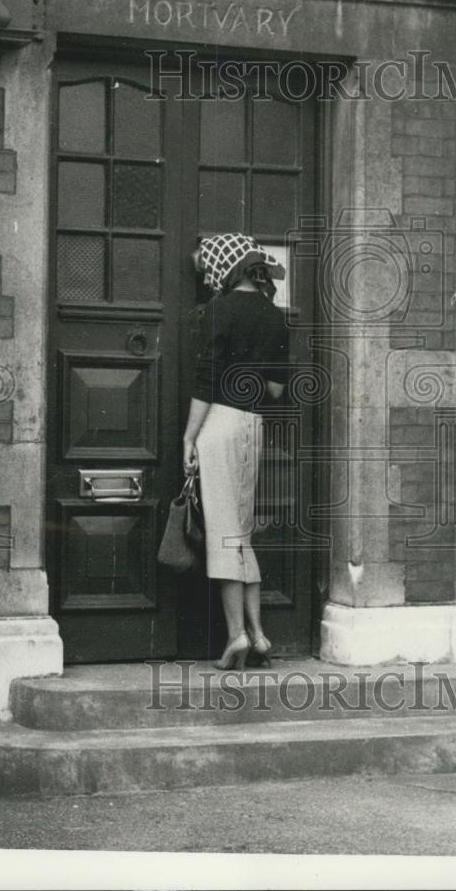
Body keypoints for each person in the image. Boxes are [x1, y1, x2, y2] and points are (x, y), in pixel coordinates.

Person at [183, 233, 290, 671]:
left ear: (224, 269)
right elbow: (277, 389)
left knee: (225, 532)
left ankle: (236, 636)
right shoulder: (275, 317)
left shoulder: (219, 310)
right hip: (253, 425)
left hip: (220, 423)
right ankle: (260, 635)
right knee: (241, 533)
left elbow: (206, 380)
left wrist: (189, 437)